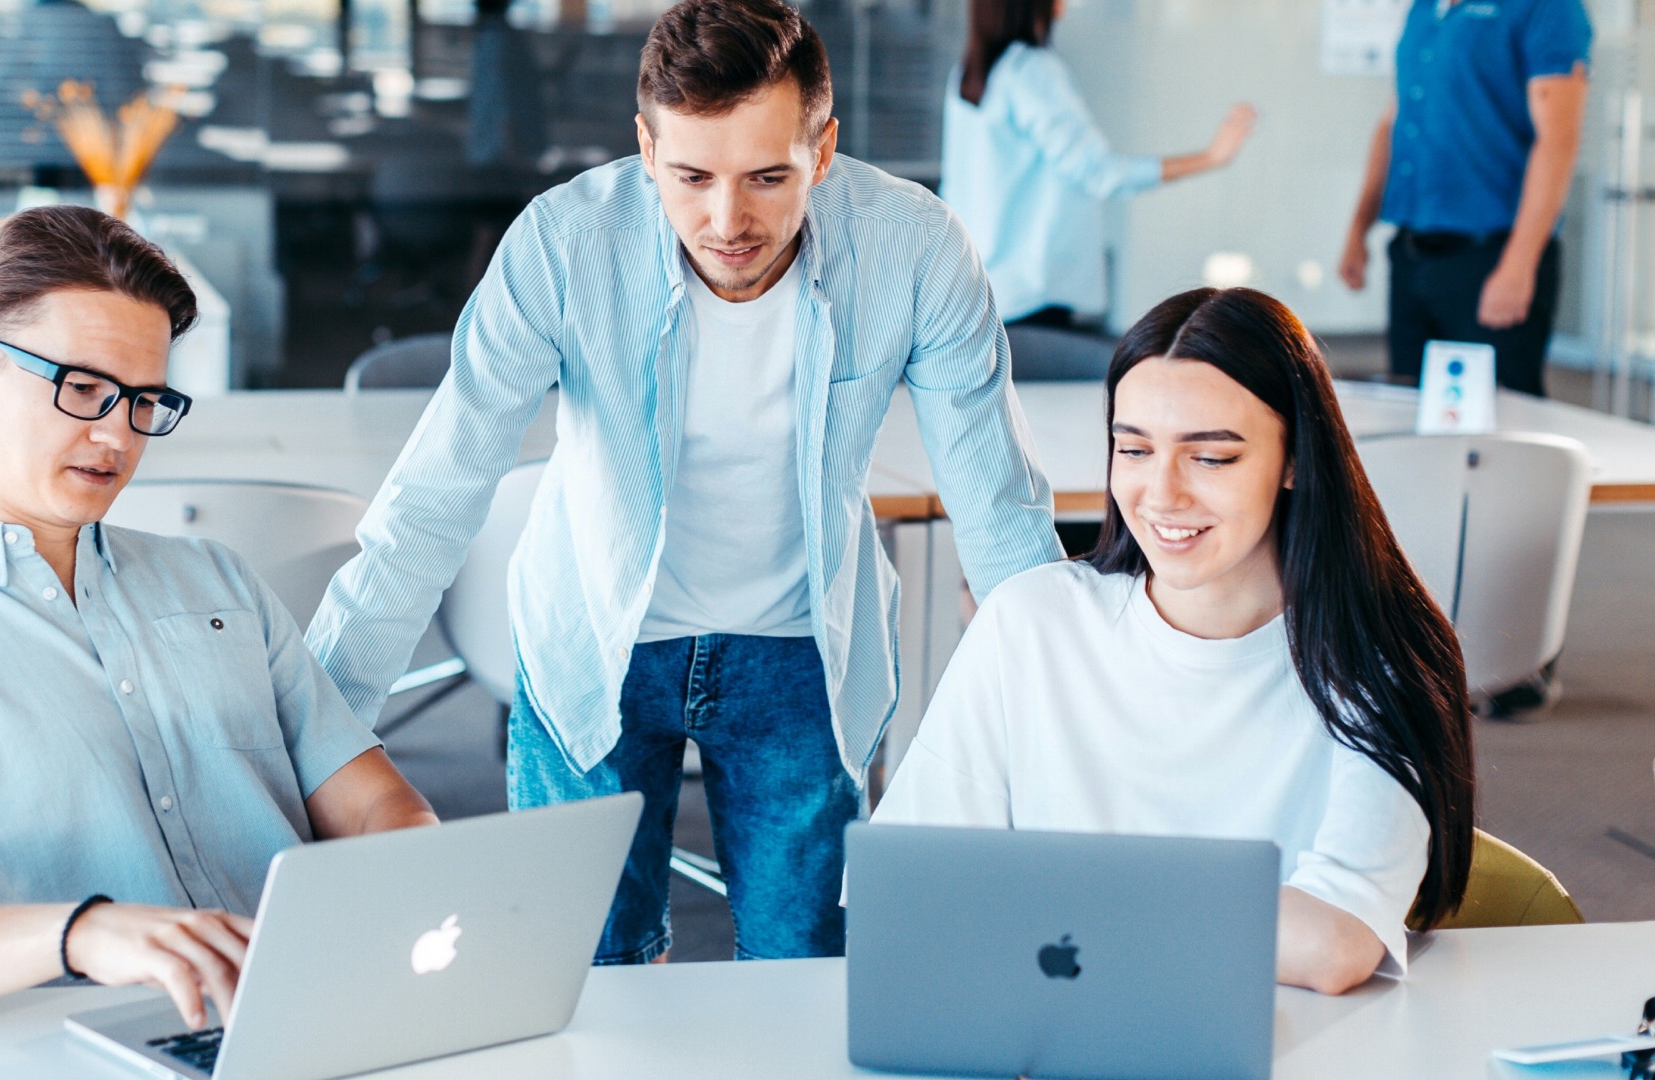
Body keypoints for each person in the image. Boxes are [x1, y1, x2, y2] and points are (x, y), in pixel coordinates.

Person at [308, 0, 1061, 965]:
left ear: (823, 151)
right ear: (644, 146)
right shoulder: (563, 243)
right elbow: (433, 497)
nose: (727, 220)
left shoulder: (915, 248)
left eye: (767, 178)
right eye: (691, 176)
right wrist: (319, 733)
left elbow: (1000, 510)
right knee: (584, 974)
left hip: (800, 655)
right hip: (595, 646)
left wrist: (1064, 731)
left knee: (809, 975)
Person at [0, 206, 438, 1029]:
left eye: (144, 399)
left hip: (316, 1022)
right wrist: (79, 934)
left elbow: (372, 806)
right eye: (83, 388)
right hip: (80, 1052)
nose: (116, 435)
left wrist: (427, 910)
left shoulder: (219, 584)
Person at [871, 287, 1477, 995]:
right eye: (1133, 449)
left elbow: (1331, 941)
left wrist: (1049, 905)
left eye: (1211, 458)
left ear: (1295, 460)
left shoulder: (1375, 663)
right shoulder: (1031, 623)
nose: (1161, 495)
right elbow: (908, 890)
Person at [941, 0, 1256, 332]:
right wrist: (1210, 158)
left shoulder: (969, 74)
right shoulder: (1033, 71)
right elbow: (1101, 173)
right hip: (1032, 296)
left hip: (985, 291)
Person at [1338, 0, 1590, 396]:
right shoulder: (1423, 10)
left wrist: (1518, 265)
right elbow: (1394, 119)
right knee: (1410, 408)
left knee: (1497, 423)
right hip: (1411, 255)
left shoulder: (1547, 7)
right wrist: (1358, 229)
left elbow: (1558, 140)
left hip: (1490, 257)